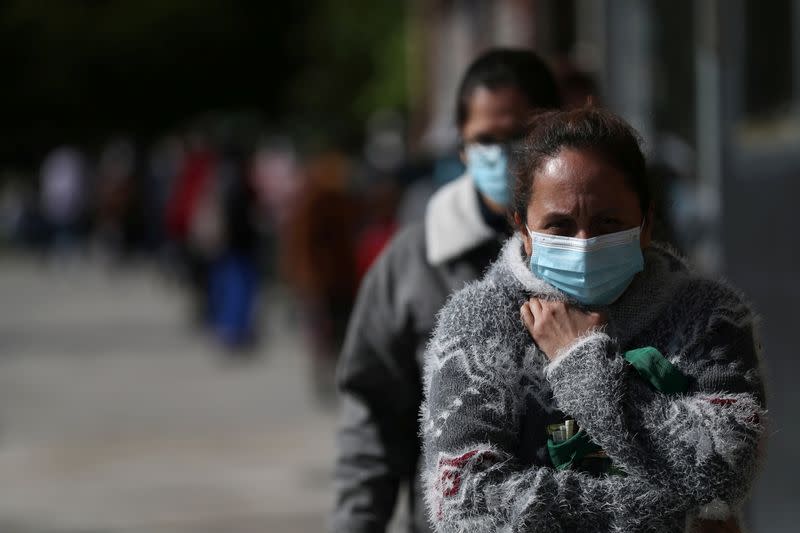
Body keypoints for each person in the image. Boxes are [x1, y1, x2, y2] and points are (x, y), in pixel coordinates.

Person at [420, 107, 766, 532]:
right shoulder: (478, 324)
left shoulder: (708, 316)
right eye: (560, 225)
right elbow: (465, 507)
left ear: (645, 222)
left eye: (608, 222)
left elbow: (726, 470)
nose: (585, 243)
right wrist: (677, 509)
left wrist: (580, 362)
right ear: (523, 228)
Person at [331, 49, 561, 533]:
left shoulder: (597, 250)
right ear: (461, 147)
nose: (502, 155)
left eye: (520, 134)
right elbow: (372, 413)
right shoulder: (413, 261)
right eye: (485, 140)